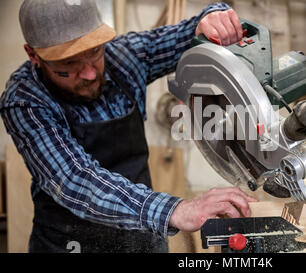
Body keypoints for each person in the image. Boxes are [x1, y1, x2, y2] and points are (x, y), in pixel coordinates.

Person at [0, 0, 257, 253]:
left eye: (93, 52)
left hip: (140, 238)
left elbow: (194, 29)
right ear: (33, 55)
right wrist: (175, 210)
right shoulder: (24, 100)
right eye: (69, 63)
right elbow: (74, 178)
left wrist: (216, 18)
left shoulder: (123, 55)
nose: (89, 73)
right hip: (69, 241)